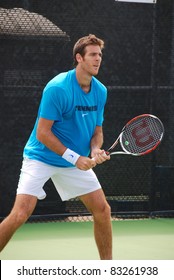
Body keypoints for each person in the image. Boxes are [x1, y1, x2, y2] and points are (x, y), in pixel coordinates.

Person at [0, 34, 112, 259]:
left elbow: (96, 131)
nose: (98, 59)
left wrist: (95, 150)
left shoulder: (100, 91)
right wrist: (75, 158)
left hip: (74, 161)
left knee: (102, 210)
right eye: (92, 55)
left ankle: (107, 269)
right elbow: (43, 133)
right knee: (20, 213)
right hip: (41, 157)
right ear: (79, 58)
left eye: (99, 55)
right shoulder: (58, 88)